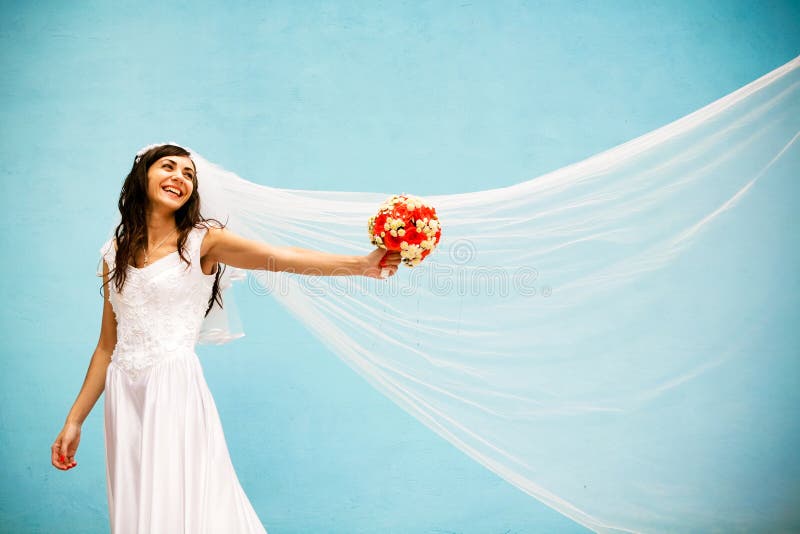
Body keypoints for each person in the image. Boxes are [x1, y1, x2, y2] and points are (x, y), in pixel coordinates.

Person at [50, 143, 401, 533]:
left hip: (172, 388)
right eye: (168, 167)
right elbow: (106, 346)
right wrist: (74, 420)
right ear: (142, 176)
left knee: (181, 505)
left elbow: (281, 257)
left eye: (188, 174)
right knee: (137, 509)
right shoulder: (113, 253)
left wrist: (360, 264)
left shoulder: (205, 241)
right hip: (123, 394)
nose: (179, 178)